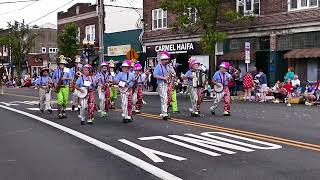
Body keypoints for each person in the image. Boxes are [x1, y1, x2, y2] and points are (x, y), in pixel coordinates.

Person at [153, 51, 171, 120]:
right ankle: (164, 113)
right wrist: (163, 78)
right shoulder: (158, 66)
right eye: (165, 60)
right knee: (164, 98)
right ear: (162, 60)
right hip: (161, 84)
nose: (167, 61)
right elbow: (154, 75)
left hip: (167, 84)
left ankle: (163, 112)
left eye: (167, 60)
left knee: (166, 99)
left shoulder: (168, 66)